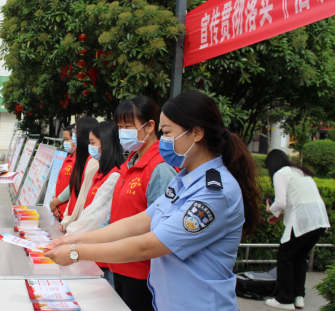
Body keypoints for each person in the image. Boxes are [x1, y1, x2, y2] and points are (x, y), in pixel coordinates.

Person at [45, 91, 263, 311]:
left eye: (167, 133)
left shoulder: (215, 192)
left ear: (196, 133)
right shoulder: (182, 180)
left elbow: (148, 245)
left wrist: (76, 252)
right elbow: (139, 221)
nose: (164, 141)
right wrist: (76, 240)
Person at [94, 96, 176, 310]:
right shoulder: (130, 162)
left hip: (141, 271)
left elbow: (157, 227)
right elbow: (116, 216)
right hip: (119, 263)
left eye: (128, 126)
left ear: (150, 126)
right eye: (120, 127)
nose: (122, 132)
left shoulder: (160, 168)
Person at [264, 149, 330, 310]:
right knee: (300, 256)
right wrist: (279, 216)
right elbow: (299, 199)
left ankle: (285, 299)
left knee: (285, 256)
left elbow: (279, 202)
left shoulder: (280, 173)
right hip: (319, 220)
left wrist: (269, 209)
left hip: (303, 220)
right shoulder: (300, 172)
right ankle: (298, 296)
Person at [66, 120, 125, 287]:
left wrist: (68, 238)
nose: (90, 147)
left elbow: (94, 216)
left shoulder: (114, 176)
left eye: (93, 143)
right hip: (88, 246)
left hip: (100, 253)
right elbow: (85, 207)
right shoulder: (100, 173)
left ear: (105, 144)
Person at [58, 117, 100, 232]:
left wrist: (69, 221)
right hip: (70, 221)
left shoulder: (93, 162)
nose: (74, 136)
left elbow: (82, 199)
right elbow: (74, 192)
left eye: (75, 132)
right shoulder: (80, 160)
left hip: (76, 225)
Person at [49, 124, 76, 219]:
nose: (65, 142)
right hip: (58, 209)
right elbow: (59, 180)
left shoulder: (80, 161)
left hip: (67, 212)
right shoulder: (68, 157)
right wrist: (54, 200)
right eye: (64, 139)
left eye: (67, 139)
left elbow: (73, 186)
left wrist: (56, 202)